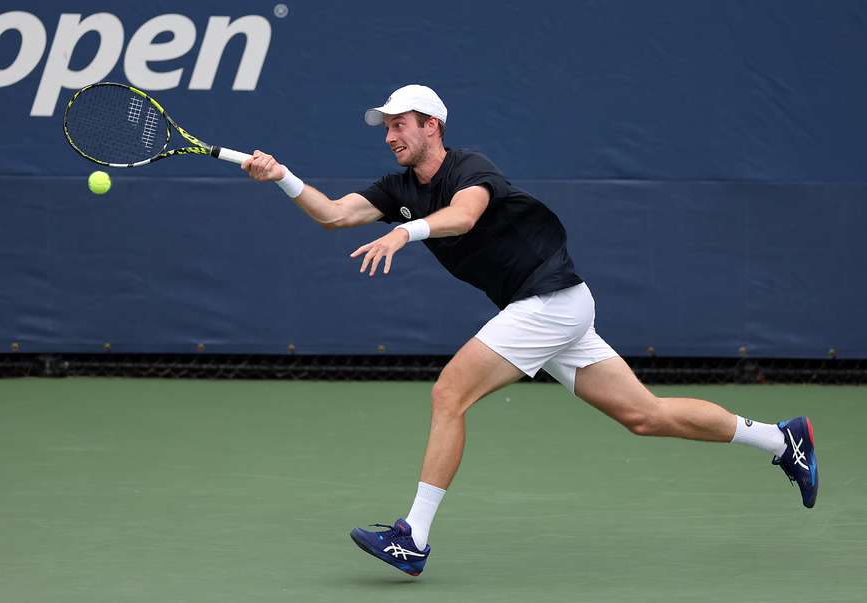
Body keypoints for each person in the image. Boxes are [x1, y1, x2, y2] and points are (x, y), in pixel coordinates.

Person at [241, 84, 819, 577]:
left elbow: (464, 216)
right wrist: (283, 176)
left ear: (431, 127)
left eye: (401, 125)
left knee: (449, 394)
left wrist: (404, 234)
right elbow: (335, 214)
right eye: (386, 127)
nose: (391, 135)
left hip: (548, 301)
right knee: (646, 416)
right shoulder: (398, 190)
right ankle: (781, 440)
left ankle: (411, 538)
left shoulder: (471, 168)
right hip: (558, 307)